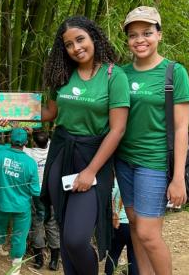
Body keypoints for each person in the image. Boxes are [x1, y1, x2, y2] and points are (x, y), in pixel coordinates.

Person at [40, 15, 130, 274]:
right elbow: (49, 113)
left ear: (94, 37)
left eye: (80, 39)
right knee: (66, 233)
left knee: (76, 239)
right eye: (69, 44)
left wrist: (90, 171)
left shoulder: (114, 76)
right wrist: (13, 117)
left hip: (94, 157)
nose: (76, 48)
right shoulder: (63, 74)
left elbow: (118, 129)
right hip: (62, 153)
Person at [114, 6, 189, 275]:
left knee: (148, 232)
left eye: (147, 33)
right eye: (133, 35)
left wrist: (178, 177)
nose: (140, 40)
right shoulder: (120, 73)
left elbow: (182, 128)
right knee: (134, 224)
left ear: (159, 34)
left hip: (154, 162)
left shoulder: (174, 72)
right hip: (124, 161)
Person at [0, 128, 40, 275]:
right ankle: (15, 271)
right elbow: (35, 191)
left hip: (1, 203)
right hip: (22, 207)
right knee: (20, 236)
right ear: (26, 142)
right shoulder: (30, 163)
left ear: (10, 140)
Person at [23, 130, 61, 270]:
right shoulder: (52, 150)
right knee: (52, 224)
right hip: (50, 192)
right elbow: (48, 141)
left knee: (37, 224)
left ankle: (39, 260)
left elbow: (20, 145)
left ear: (34, 142)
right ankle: (54, 261)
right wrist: (36, 133)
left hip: (36, 194)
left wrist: (29, 133)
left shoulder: (29, 153)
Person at [105, 181, 137, 275]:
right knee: (133, 255)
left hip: (120, 223)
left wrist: (114, 216)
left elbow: (109, 199)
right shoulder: (138, 182)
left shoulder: (118, 181)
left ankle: (109, 273)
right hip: (135, 224)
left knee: (114, 253)